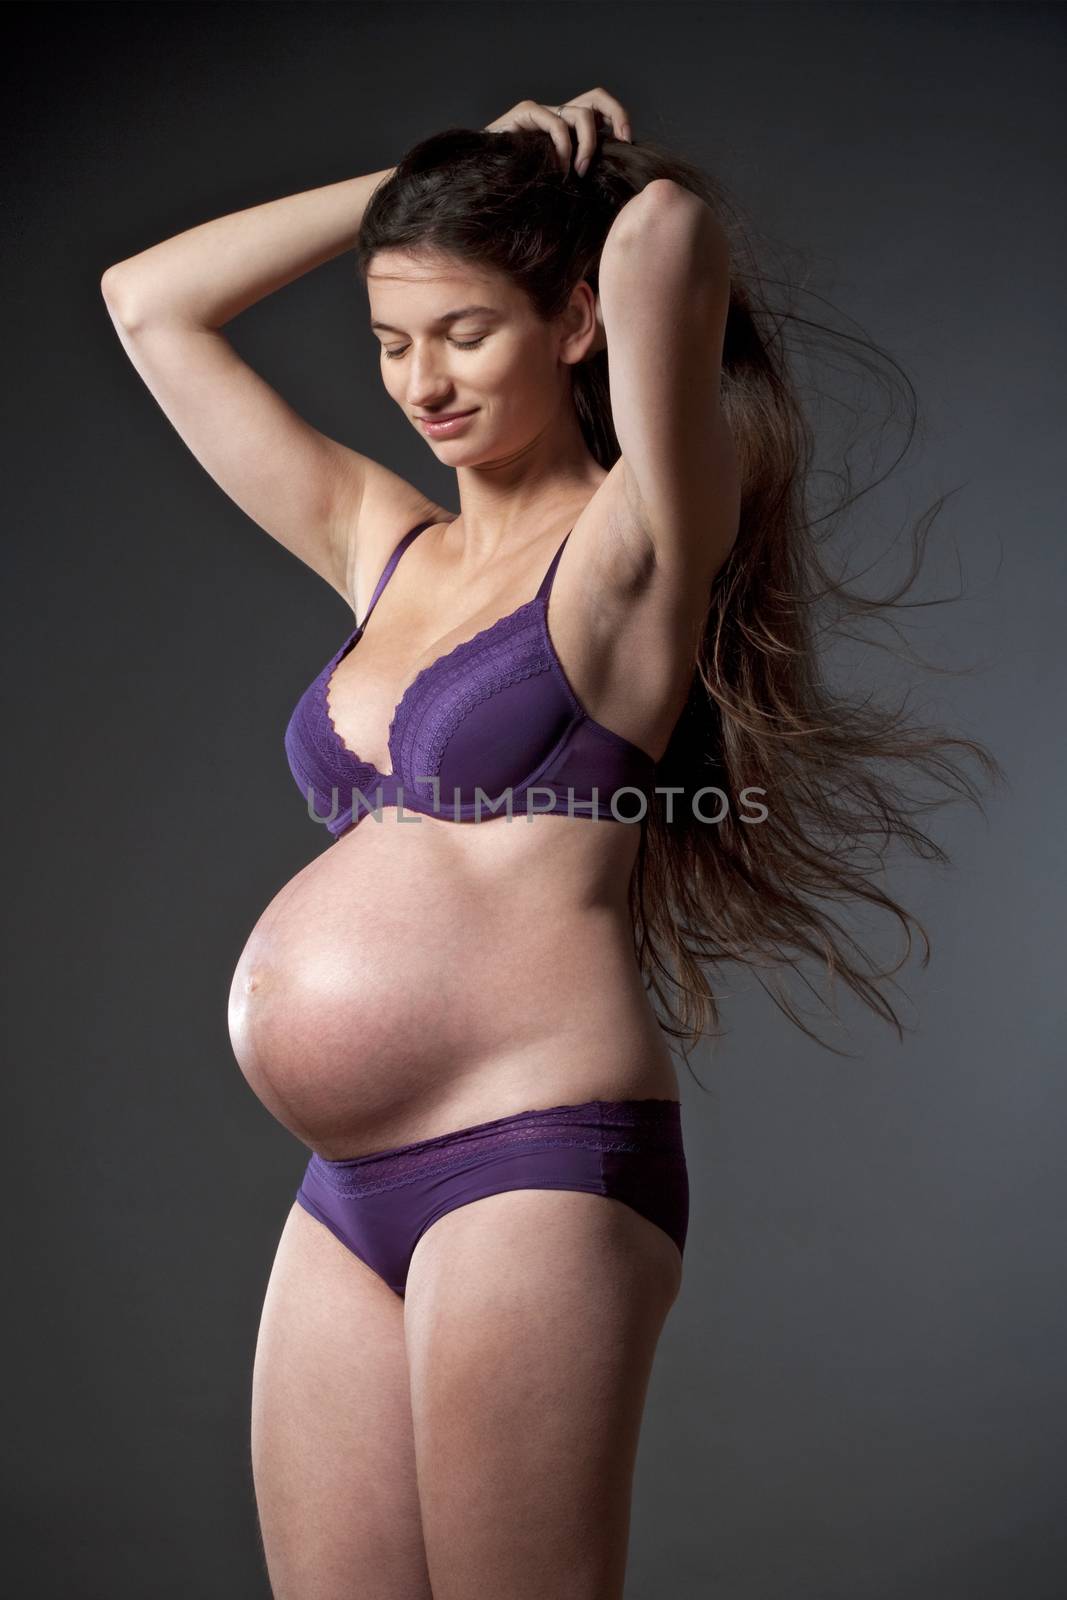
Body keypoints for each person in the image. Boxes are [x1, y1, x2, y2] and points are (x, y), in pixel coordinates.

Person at [100, 85, 999, 1600]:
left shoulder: (642, 544)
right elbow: (150, 305)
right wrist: (416, 186)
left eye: (464, 331)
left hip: (533, 1166)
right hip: (343, 1190)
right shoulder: (385, 545)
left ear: (572, 322)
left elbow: (667, 230)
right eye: (390, 342)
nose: (419, 382)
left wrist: (528, 168)